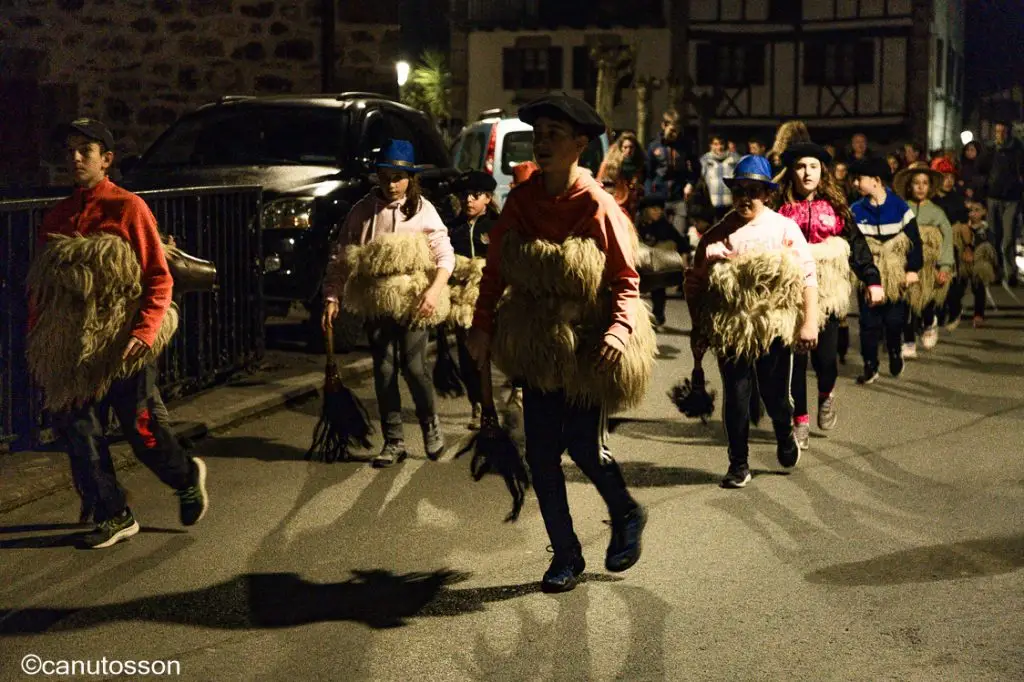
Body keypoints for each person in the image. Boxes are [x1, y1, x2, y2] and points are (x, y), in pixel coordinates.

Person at [466, 94, 653, 593]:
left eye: (554, 134)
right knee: (541, 454)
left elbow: (624, 278)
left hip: (587, 344)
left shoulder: (597, 204)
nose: (542, 142)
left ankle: (627, 512)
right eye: (538, 133)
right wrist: (482, 325)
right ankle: (565, 554)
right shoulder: (524, 201)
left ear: (580, 145)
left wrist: (618, 329)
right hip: (540, 344)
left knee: (584, 446)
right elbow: (496, 270)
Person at [26, 118, 208, 549]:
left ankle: (185, 476)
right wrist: (40, 338)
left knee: (142, 432)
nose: (74, 158)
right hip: (76, 347)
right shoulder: (59, 215)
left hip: (125, 340)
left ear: (106, 160)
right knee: (79, 430)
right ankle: (114, 513)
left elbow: (158, 279)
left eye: (84, 150)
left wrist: (144, 333)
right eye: (70, 149)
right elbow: (44, 286)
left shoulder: (129, 208)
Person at [686, 155, 819, 489]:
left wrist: (809, 322)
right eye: (739, 190)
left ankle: (784, 432)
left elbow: (807, 275)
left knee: (775, 397)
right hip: (732, 328)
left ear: (767, 194)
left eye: (754, 191)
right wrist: (699, 326)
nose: (746, 197)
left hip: (772, 326)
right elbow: (696, 284)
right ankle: (738, 463)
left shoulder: (783, 229)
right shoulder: (717, 235)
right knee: (737, 395)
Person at [322, 139, 456, 467]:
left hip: (414, 299)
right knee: (383, 370)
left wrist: (434, 290)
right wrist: (332, 294)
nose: (391, 184)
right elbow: (341, 256)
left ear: (410, 178)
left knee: (413, 366)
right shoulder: (363, 211)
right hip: (379, 300)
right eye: (385, 176)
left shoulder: (424, 210)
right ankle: (393, 441)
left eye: (398, 176)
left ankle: (430, 425)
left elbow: (445, 254)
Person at [775, 142, 883, 450]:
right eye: (800, 166)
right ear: (791, 171)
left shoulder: (836, 207)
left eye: (813, 166)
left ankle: (825, 394)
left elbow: (857, 246)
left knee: (826, 361)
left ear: (822, 171)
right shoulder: (779, 208)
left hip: (829, 291)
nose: (807, 172)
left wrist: (871, 279)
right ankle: (801, 421)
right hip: (792, 292)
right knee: (795, 360)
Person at [849, 157, 924, 385]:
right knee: (869, 323)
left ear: (876, 181)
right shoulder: (855, 210)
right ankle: (870, 365)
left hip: (895, 274)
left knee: (894, 320)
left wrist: (912, 269)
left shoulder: (900, 207)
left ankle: (894, 350)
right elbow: (853, 244)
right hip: (870, 273)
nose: (854, 184)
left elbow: (915, 242)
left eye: (858, 179)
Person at [446, 170, 500, 428]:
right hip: (462, 303)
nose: (469, 200)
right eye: (464, 195)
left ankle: (516, 391)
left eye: (475, 195)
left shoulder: (497, 227)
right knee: (468, 356)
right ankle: (478, 405)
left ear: (488, 198)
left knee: (498, 351)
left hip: (491, 298)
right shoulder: (452, 229)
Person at [893, 164, 954, 354]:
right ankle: (908, 340)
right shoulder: (901, 209)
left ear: (930, 187)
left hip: (929, 266)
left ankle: (929, 323)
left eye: (925, 183)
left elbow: (947, 238)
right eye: (916, 183)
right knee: (906, 302)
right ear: (909, 186)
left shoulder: (937, 213)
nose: (920, 187)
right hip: (906, 263)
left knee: (926, 301)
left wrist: (944, 266)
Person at [635, 193, 690, 329]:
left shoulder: (664, 226)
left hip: (657, 267)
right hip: (638, 264)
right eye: (653, 209)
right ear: (644, 210)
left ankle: (658, 316)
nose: (657, 212)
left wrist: (683, 264)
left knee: (658, 289)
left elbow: (682, 244)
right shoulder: (636, 225)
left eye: (659, 209)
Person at [983, 121, 1024, 286]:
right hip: (993, 197)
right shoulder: (990, 149)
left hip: (1011, 198)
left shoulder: (1018, 150)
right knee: (994, 236)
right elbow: (980, 168)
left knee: (1008, 238)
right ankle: (996, 272)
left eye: (1003, 132)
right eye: (997, 131)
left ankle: (1011, 272)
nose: (999, 135)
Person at [644, 109, 696, 236]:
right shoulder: (653, 147)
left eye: (677, 131)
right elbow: (648, 174)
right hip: (659, 197)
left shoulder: (686, 146)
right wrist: (649, 197)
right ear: (664, 126)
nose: (675, 134)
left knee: (679, 236)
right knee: (659, 237)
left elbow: (696, 168)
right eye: (672, 130)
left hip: (679, 197)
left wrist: (690, 184)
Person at [597, 131, 646, 218]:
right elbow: (601, 187)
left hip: (631, 210)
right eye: (625, 147)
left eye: (631, 147)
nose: (628, 150)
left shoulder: (638, 166)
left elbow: (642, 189)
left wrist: (638, 188)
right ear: (620, 148)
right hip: (615, 208)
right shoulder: (609, 166)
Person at [699, 134, 742, 221]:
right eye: (715, 144)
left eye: (721, 144)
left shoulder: (735, 158)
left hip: (731, 205)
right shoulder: (705, 160)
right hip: (712, 205)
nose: (719, 147)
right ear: (710, 145)